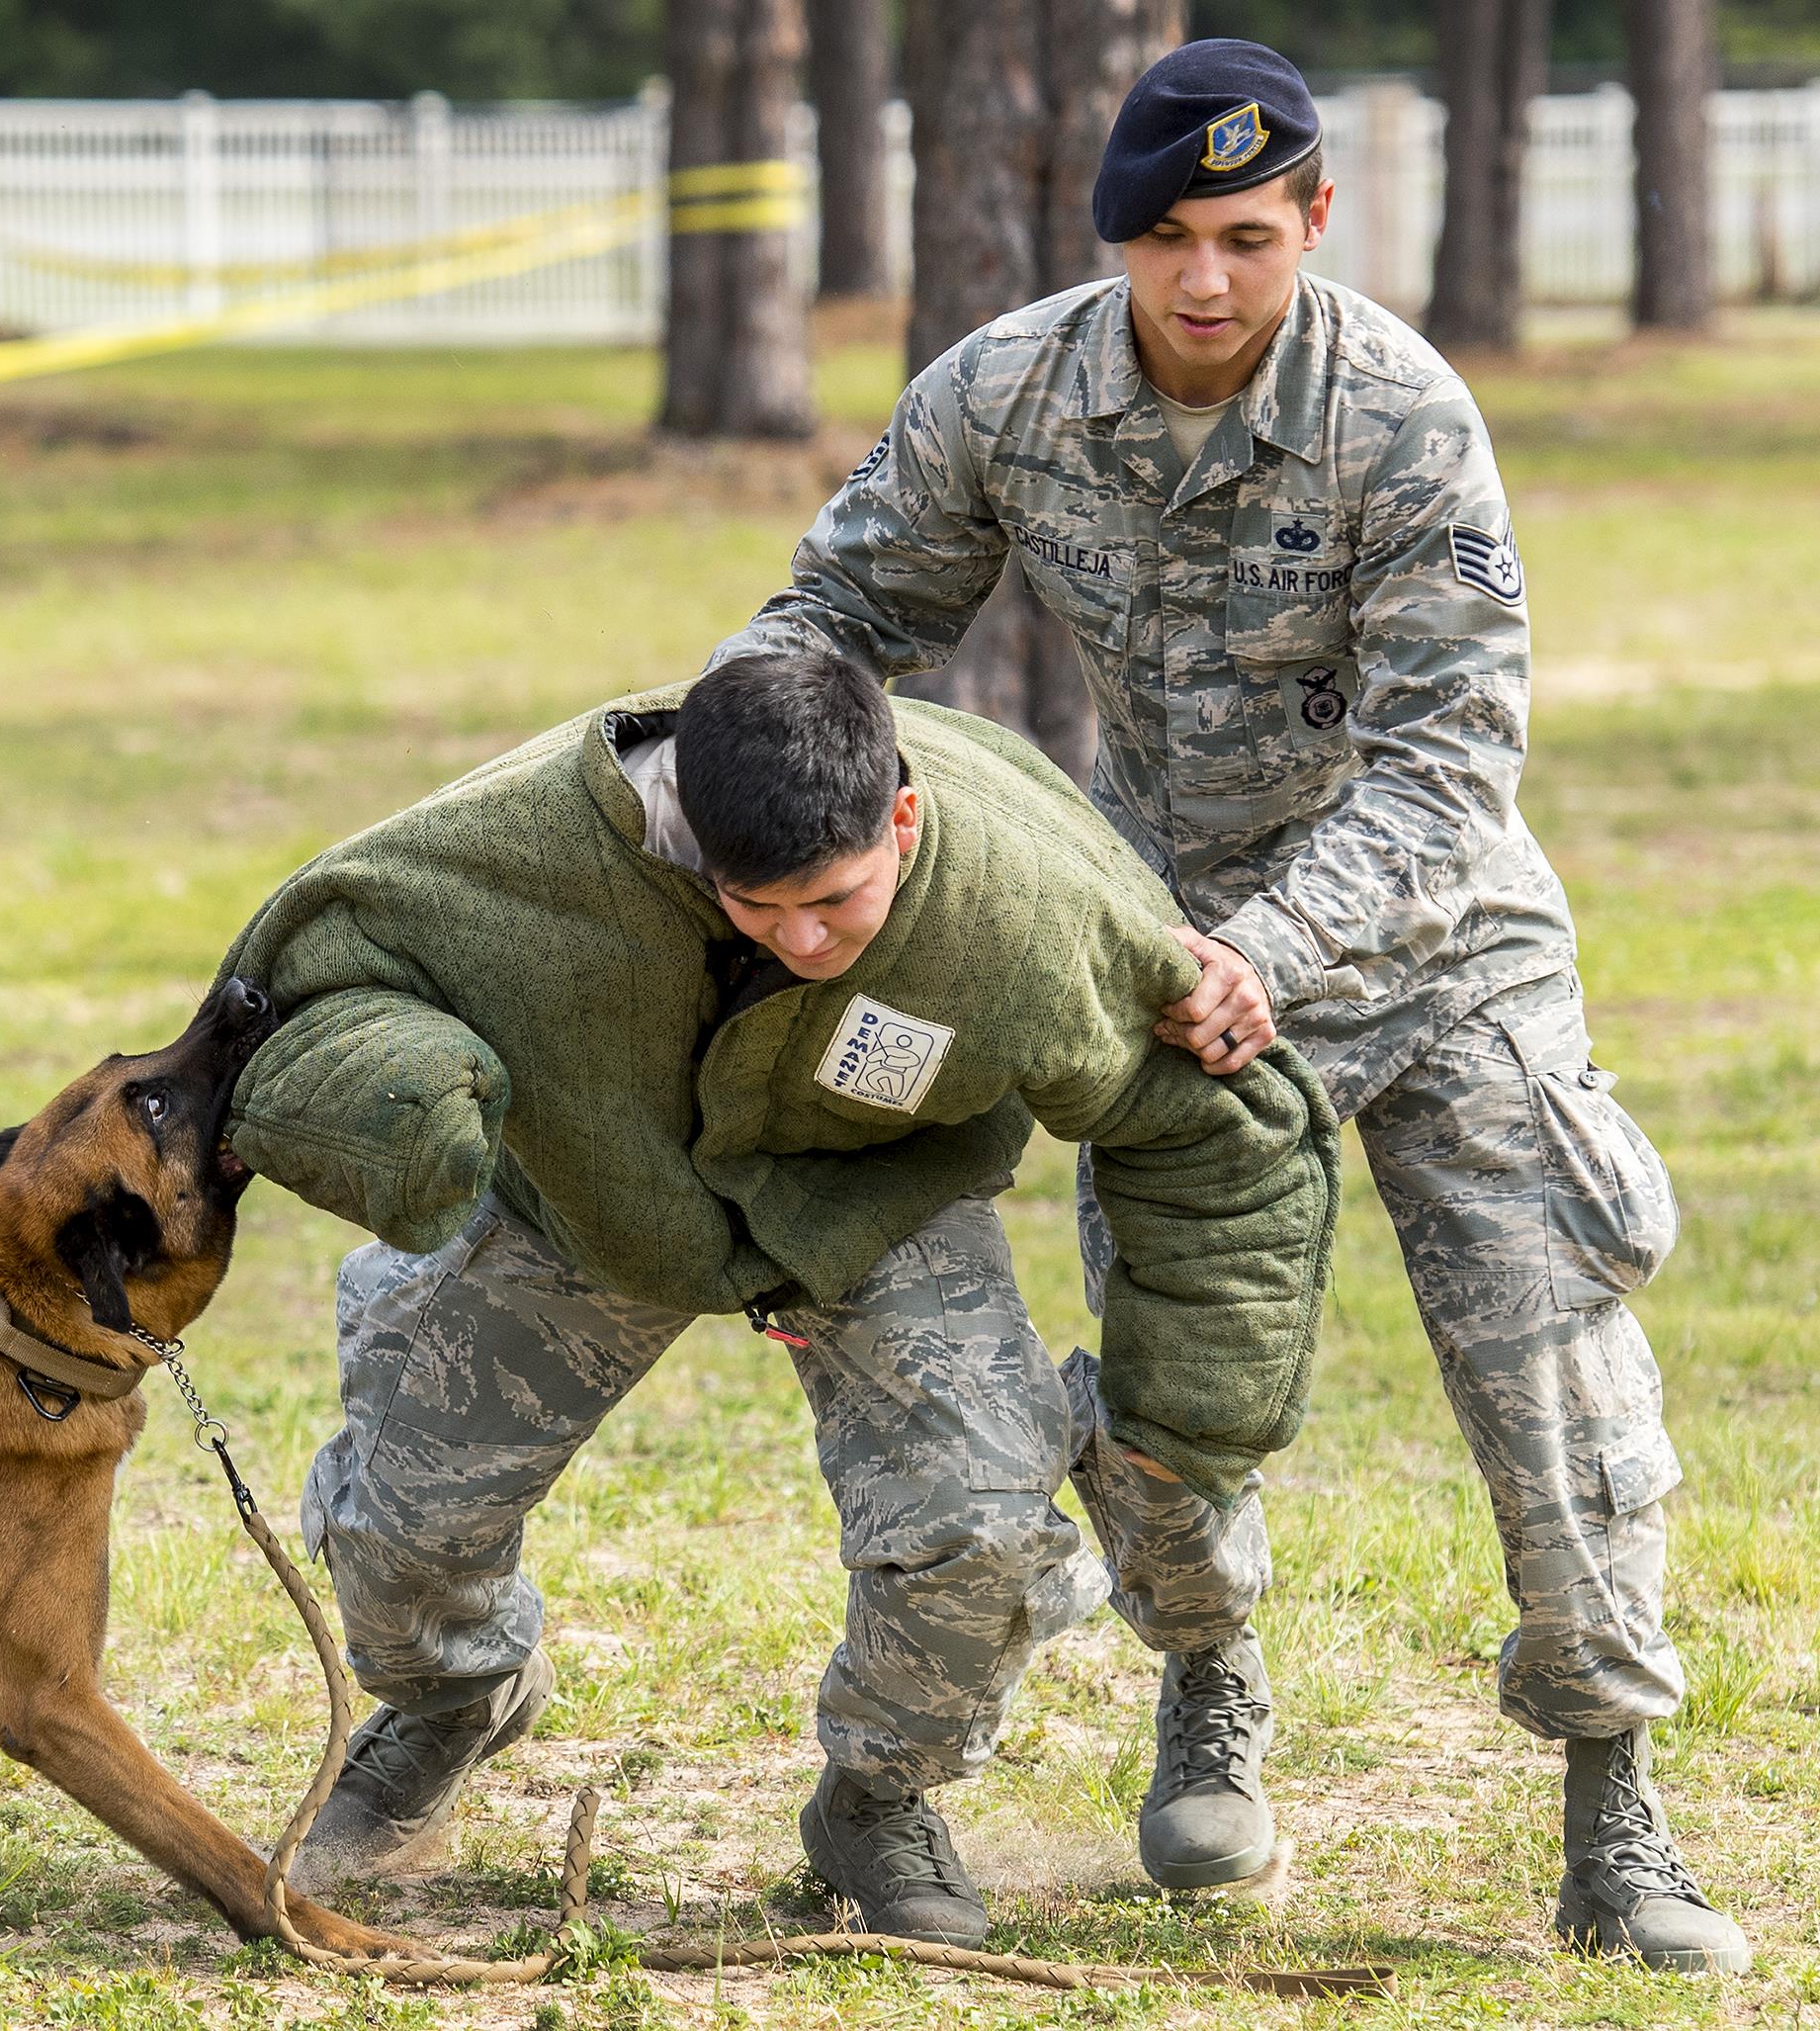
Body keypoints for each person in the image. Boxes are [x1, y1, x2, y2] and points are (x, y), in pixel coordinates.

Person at [706, 37, 1744, 1975]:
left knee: (1551, 1367)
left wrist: (1282, 943)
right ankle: (1212, 1684)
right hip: (1157, 948)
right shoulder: (1011, 391)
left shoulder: (1402, 417)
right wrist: (708, 785)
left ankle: (1616, 1808)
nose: (1205, 280)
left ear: (1315, 225)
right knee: (1181, 1374)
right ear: (1116, 239)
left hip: (1435, 939)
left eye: (1248, 236)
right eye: (1168, 238)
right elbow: (835, 619)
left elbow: (1452, 762)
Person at [214, 647, 1341, 1947]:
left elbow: (1216, 1122)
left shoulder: (1028, 905)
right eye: (758, 906)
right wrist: (396, 1085)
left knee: (979, 1528)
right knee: (401, 1527)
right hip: (593, 1191)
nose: (802, 940)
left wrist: (1182, 1410)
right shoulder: (506, 849)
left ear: (902, 817)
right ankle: (456, 1697)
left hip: (874, 1193)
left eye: (838, 903)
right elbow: (295, 978)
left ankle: (878, 1792)